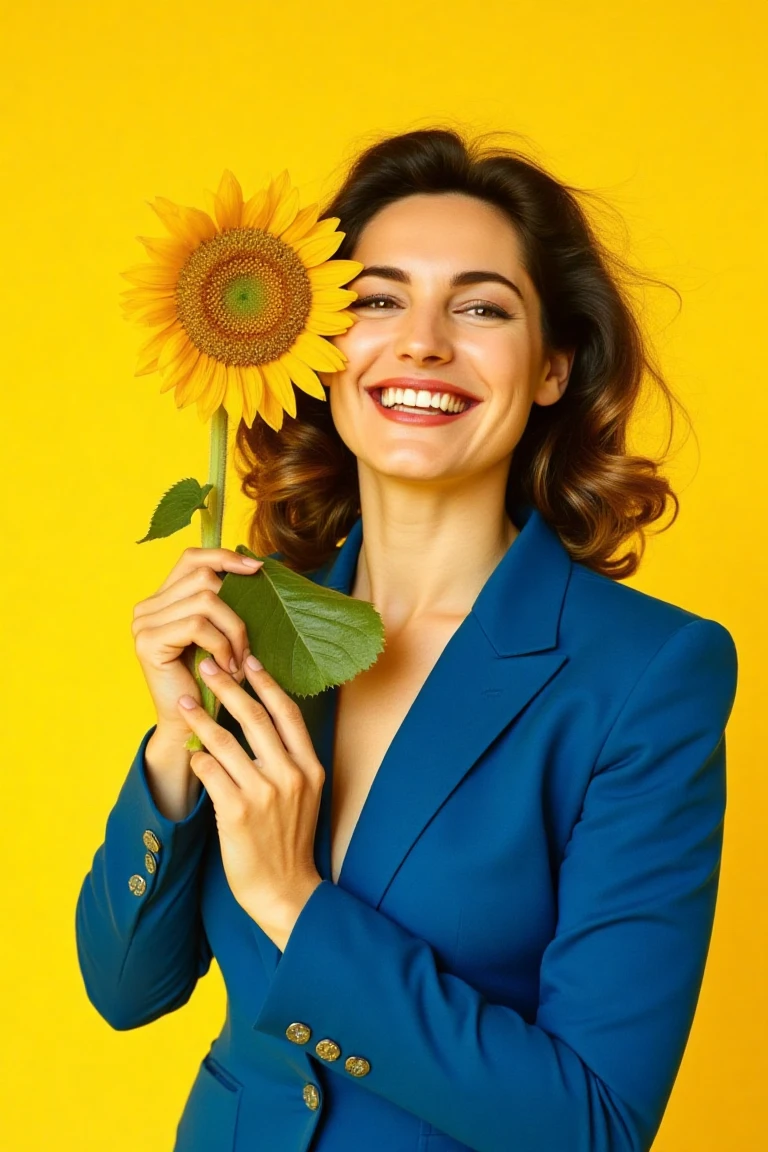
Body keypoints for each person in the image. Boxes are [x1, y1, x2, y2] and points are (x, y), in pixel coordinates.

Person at [75, 127, 739, 1152]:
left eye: (480, 308)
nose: (422, 341)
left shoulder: (645, 677)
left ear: (555, 364)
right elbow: (126, 990)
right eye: (378, 300)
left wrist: (291, 899)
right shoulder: (254, 626)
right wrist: (175, 749)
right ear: (315, 343)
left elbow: (594, 1128)